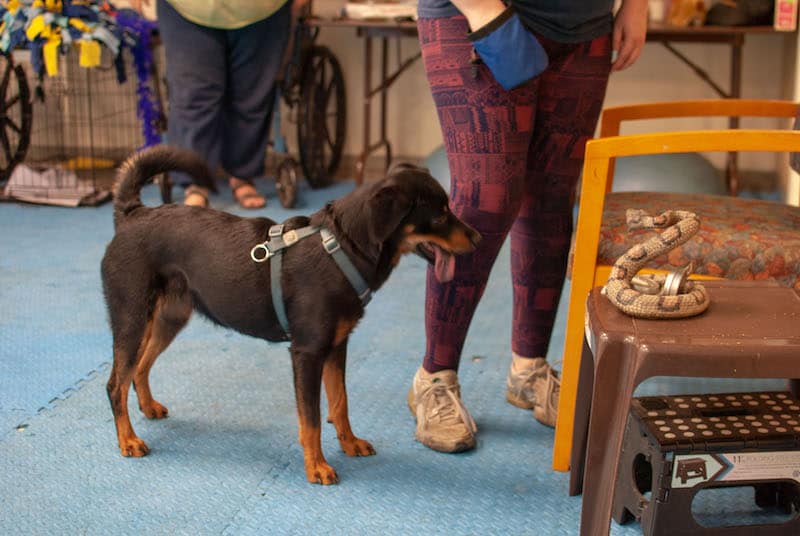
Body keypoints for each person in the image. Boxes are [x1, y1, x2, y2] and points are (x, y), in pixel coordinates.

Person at [407, 0, 648, 452]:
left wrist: (636, 3)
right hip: (481, 17)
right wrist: (481, 9)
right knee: (485, 202)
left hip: (583, 25)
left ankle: (529, 368)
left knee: (553, 199)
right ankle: (433, 378)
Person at [130, 0, 299, 208]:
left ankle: (242, 176)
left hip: (262, 9)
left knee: (251, 96)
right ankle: (196, 183)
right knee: (193, 95)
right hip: (188, 8)